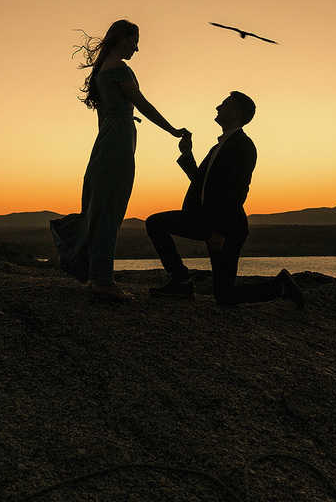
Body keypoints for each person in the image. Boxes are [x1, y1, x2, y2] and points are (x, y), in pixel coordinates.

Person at [50, 20, 187, 302]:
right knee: (111, 210)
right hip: (119, 140)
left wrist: (107, 141)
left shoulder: (101, 71)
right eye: (135, 41)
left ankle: (96, 275)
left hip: (105, 141)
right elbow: (143, 104)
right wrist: (173, 130)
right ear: (122, 39)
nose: (137, 48)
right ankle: (103, 282)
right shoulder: (121, 70)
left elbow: (102, 120)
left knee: (99, 208)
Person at [146, 91, 303, 307]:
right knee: (156, 223)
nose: (218, 107)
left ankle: (281, 286)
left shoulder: (243, 145)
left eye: (224, 104)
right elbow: (200, 183)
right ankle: (181, 281)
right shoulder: (219, 146)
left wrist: (221, 231)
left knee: (224, 296)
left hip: (227, 228)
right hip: (204, 219)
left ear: (237, 113)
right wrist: (187, 154)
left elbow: (239, 192)